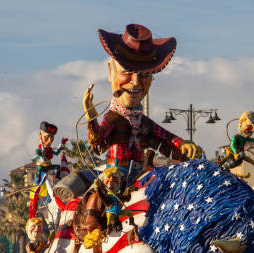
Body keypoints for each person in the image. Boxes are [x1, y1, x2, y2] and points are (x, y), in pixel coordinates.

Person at [82, 24, 202, 187]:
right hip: (116, 176)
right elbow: (97, 142)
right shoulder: (114, 118)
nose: (136, 82)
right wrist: (90, 115)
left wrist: (182, 144)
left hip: (141, 175)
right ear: (111, 71)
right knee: (106, 202)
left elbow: (164, 137)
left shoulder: (142, 121)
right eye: (126, 72)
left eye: (144, 75)